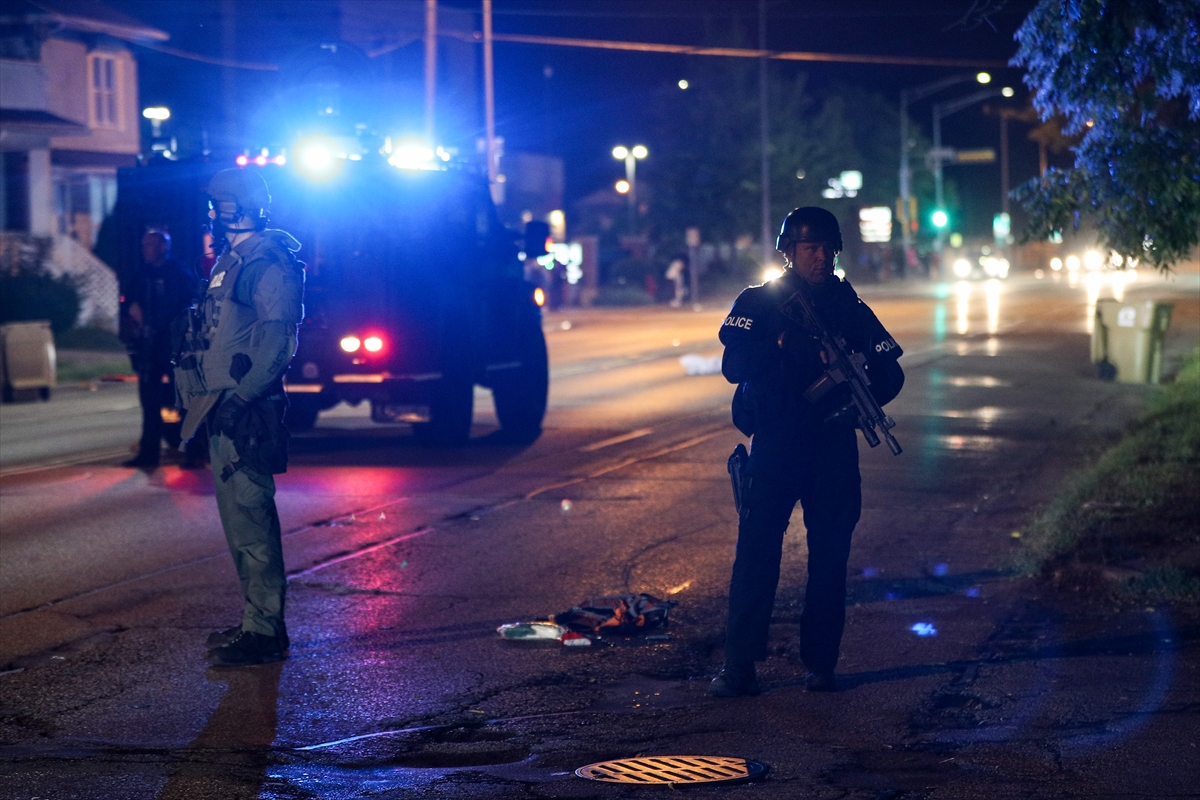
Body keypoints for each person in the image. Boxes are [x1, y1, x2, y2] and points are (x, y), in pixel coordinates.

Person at [709, 207, 905, 696]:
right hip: (776, 443)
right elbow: (734, 365)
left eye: (826, 248)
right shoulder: (760, 302)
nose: (820, 257)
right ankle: (739, 667)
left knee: (830, 560)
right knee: (756, 557)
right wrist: (782, 343)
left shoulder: (846, 305)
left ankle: (821, 664)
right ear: (789, 252)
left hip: (831, 447)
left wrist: (859, 403)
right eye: (810, 248)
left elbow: (890, 370)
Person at [175, 168, 305, 668]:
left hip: (246, 411)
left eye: (216, 207)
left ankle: (265, 632)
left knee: (251, 518)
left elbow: (278, 343)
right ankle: (257, 621)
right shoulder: (232, 262)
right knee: (237, 523)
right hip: (221, 406)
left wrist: (242, 399)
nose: (210, 216)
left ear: (234, 210)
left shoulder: (268, 263)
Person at [120, 230, 202, 469]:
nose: (145, 249)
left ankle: (194, 453)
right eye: (144, 245)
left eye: (150, 245)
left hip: (174, 344)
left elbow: (192, 305)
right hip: (150, 344)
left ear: (163, 247)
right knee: (149, 400)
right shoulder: (142, 275)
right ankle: (149, 454)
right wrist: (131, 309)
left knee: (184, 399)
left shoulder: (179, 274)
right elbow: (128, 301)